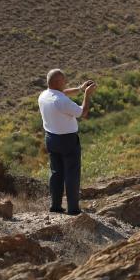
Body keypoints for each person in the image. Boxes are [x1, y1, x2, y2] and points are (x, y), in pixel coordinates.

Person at [37, 69, 96, 215]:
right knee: (72, 174)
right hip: (68, 141)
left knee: (56, 172)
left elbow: (62, 92)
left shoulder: (44, 95)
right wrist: (87, 95)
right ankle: (73, 209)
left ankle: (55, 206)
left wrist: (79, 89)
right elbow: (83, 112)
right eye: (64, 80)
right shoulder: (62, 101)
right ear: (57, 82)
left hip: (51, 139)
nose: (66, 82)